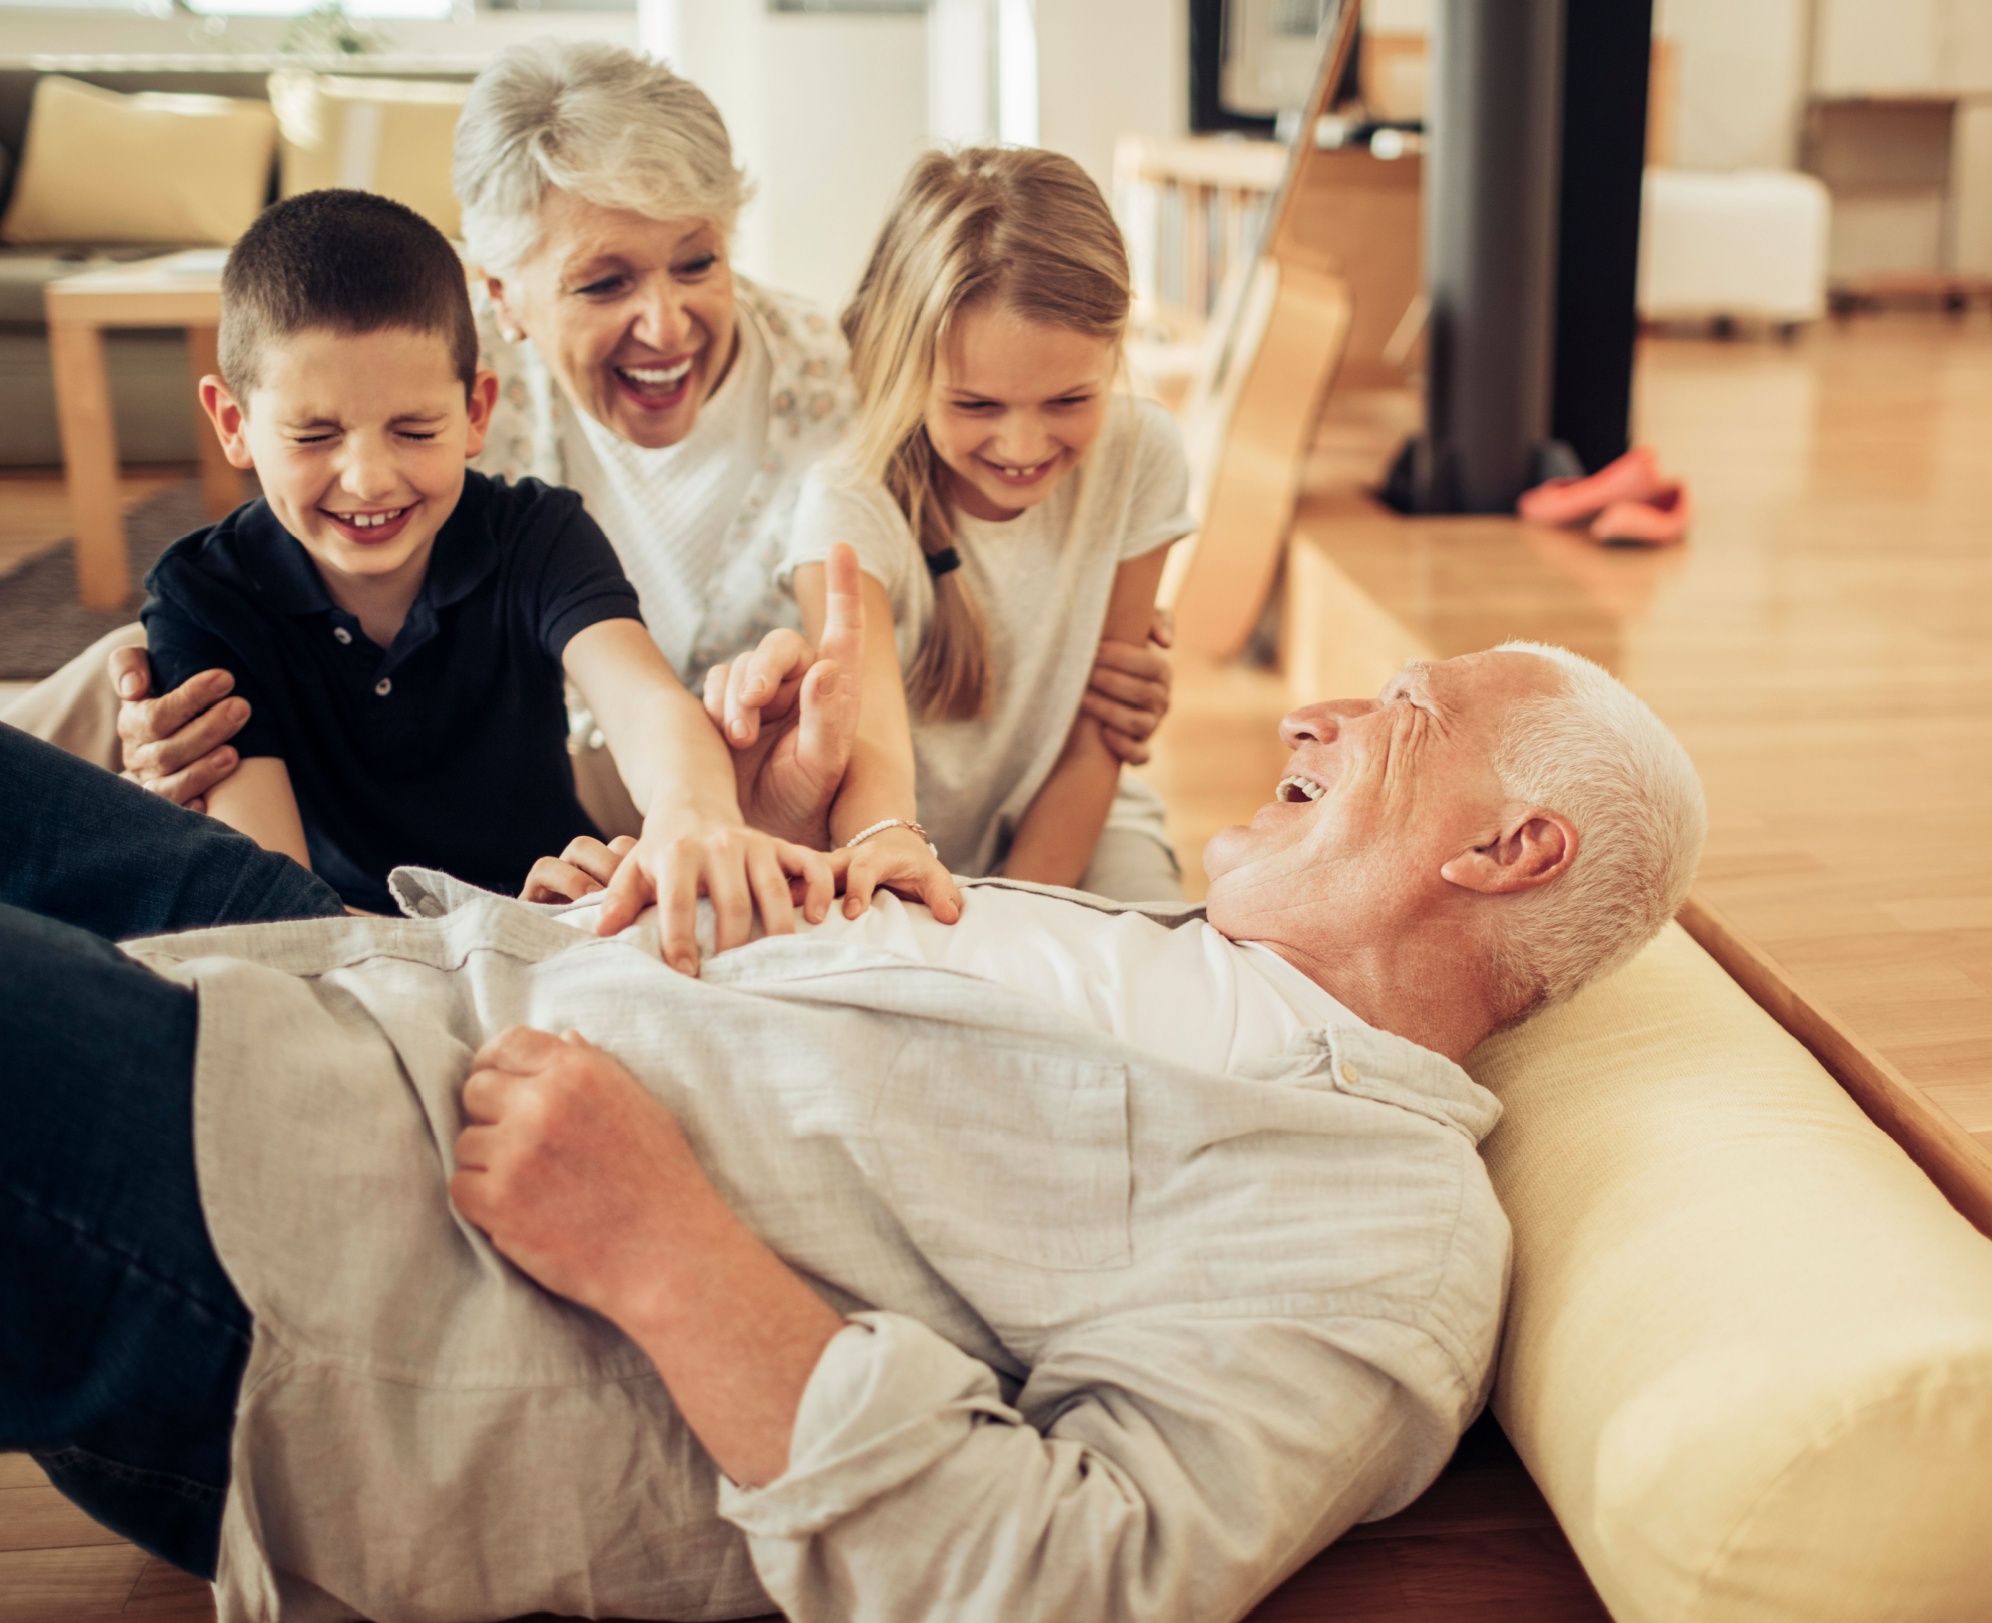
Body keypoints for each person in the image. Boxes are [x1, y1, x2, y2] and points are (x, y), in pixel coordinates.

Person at [0, 638, 1706, 1623]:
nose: (1310, 716)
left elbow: (1058, 1596)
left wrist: (672, 1256)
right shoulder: (1172, 944)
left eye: (1399, 709)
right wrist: (659, 917)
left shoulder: (1383, 1223)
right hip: (373, 975)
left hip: (338, 1259)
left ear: (1507, 846)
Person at [9, 41, 1178, 844]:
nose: (665, 322)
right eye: (604, 279)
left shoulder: (843, 387)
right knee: (139, 669)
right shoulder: (453, 410)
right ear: (503, 296)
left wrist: (1102, 660)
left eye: (698, 260)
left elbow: (977, 559)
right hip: (483, 754)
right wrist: (174, 725)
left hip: (683, 787)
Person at [137, 188, 815, 964]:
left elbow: (646, 703)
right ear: (234, 424)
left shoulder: (539, 533)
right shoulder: (203, 598)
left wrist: (692, 816)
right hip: (366, 953)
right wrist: (489, 936)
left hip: (565, 915)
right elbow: (276, 910)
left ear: (476, 411)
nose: (367, 479)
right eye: (315, 434)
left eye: (415, 430)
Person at [714, 146, 1194, 910]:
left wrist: (1019, 918)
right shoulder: (849, 502)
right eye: (976, 407)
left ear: (1114, 354)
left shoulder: (1146, 455)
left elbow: (1097, 736)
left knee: (1161, 979)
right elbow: (869, 740)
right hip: (887, 839)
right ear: (909, 371)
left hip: (1084, 827)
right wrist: (894, 839)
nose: (1024, 446)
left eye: (1070, 401)